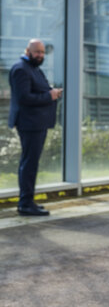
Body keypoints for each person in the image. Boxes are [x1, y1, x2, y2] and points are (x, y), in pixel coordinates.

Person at [8, 39, 62, 216]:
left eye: (42, 52)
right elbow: (25, 98)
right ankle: (25, 204)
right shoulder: (20, 69)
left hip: (37, 124)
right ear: (28, 51)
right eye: (37, 52)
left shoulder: (33, 68)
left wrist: (50, 92)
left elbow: (36, 91)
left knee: (31, 164)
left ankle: (28, 201)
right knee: (29, 164)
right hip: (29, 124)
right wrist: (50, 95)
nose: (40, 55)